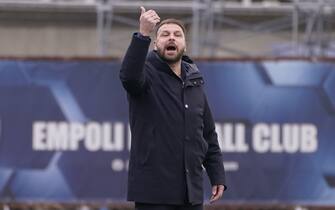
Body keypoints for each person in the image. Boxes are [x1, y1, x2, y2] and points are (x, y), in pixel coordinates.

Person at [119, 6, 227, 210]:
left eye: (177, 35)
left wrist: (217, 175)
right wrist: (143, 34)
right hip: (153, 195)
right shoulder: (145, 74)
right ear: (155, 44)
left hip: (190, 195)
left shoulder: (194, 81)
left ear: (184, 46)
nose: (171, 38)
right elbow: (128, 77)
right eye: (164, 34)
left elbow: (208, 134)